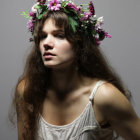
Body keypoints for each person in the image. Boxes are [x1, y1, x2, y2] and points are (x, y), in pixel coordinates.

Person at [9, 0, 140, 140]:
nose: (46, 43)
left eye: (59, 35)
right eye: (42, 36)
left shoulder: (104, 97)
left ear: (79, 44)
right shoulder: (27, 91)